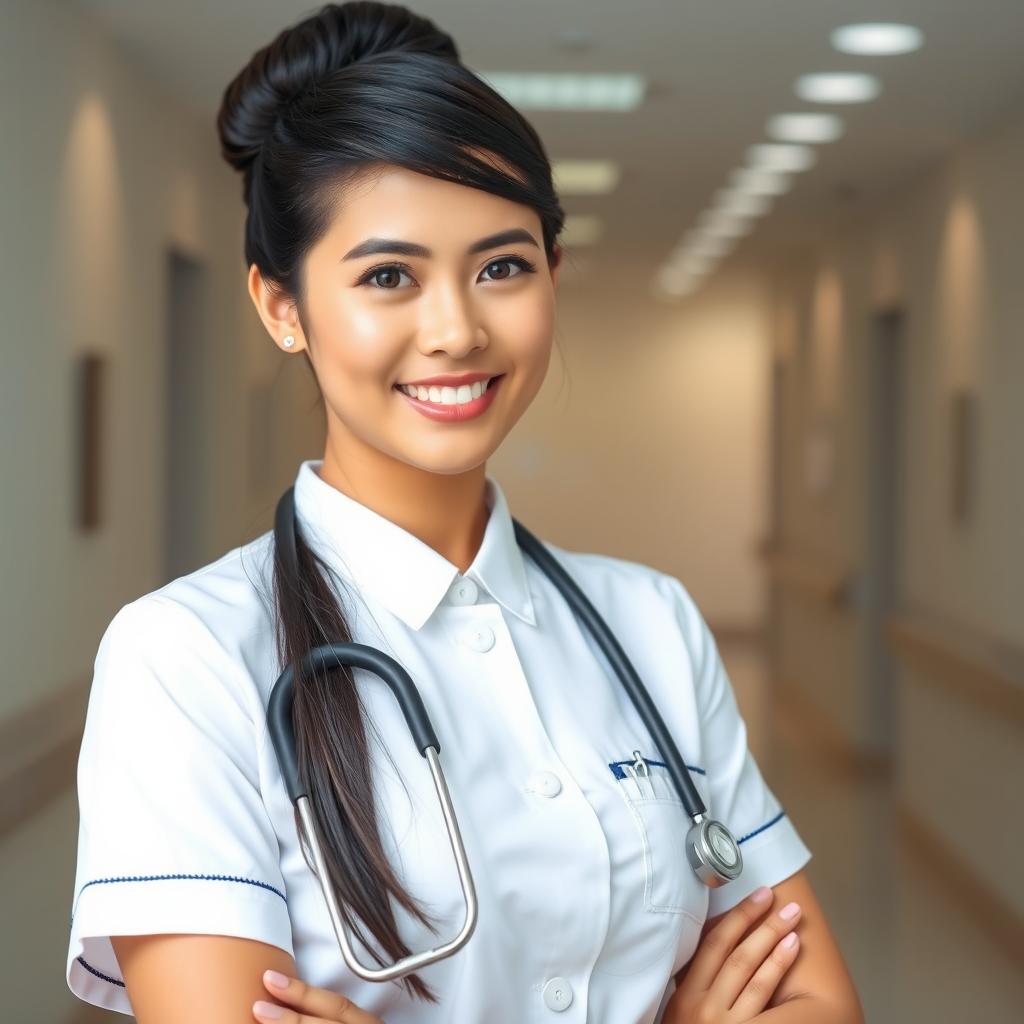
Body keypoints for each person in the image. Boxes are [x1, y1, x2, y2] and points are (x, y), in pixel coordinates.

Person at [65, 2, 864, 1022]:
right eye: (388, 276)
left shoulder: (650, 622)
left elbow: (820, 1002)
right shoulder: (185, 658)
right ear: (280, 305)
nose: (456, 328)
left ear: (552, 275)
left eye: (501, 266)